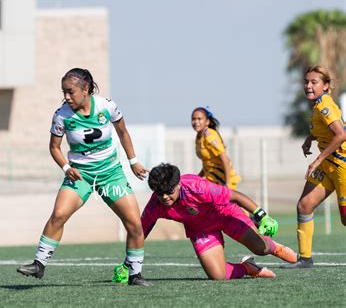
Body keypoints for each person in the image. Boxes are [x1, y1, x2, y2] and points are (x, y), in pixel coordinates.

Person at [16, 68, 151, 286]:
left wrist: (133, 161)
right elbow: (54, 147)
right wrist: (66, 167)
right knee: (59, 214)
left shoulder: (107, 106)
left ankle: (135, 274)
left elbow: (123, 132)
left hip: (110, 174)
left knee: (134, 223)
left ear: (85, 89)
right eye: (64, 92)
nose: (67, 97)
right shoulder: (61, 115)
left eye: (71, 92)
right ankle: (38, 264)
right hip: (81, 176)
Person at [113, 163, 297, 282]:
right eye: (159, 193)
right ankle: (248, 267)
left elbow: (236, 196)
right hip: (200, 229)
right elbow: (140, 232)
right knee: (218, 276)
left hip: (225, 214)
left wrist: (262, 215)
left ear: (178, 185)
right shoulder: (156, 203)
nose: (164, 197)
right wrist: (129, 263)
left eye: (168, 191)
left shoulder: (198, 188)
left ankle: (273, 247)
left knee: (261, 249)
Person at [283, 65, 346, 269]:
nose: (308, 86)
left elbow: (341, 135)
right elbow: (327, 131)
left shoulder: (325, 106)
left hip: (341, 167)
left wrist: (317, 160)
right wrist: (310, 138)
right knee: (305, 206)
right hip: (329, 166)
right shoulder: (319, 105)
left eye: (314, 82)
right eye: (306, 82)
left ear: (326, 86)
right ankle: (305, 258)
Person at [191, 107, 241, 190]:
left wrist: (227, 184)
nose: (196, 122)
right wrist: (197, 178)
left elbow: (225, 159)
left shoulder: (209, 135)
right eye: (193, 119)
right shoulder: (199, 137)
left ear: (207, 122)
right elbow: (208, 163)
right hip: (212, 181)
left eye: (199, 119)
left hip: (223, 181)